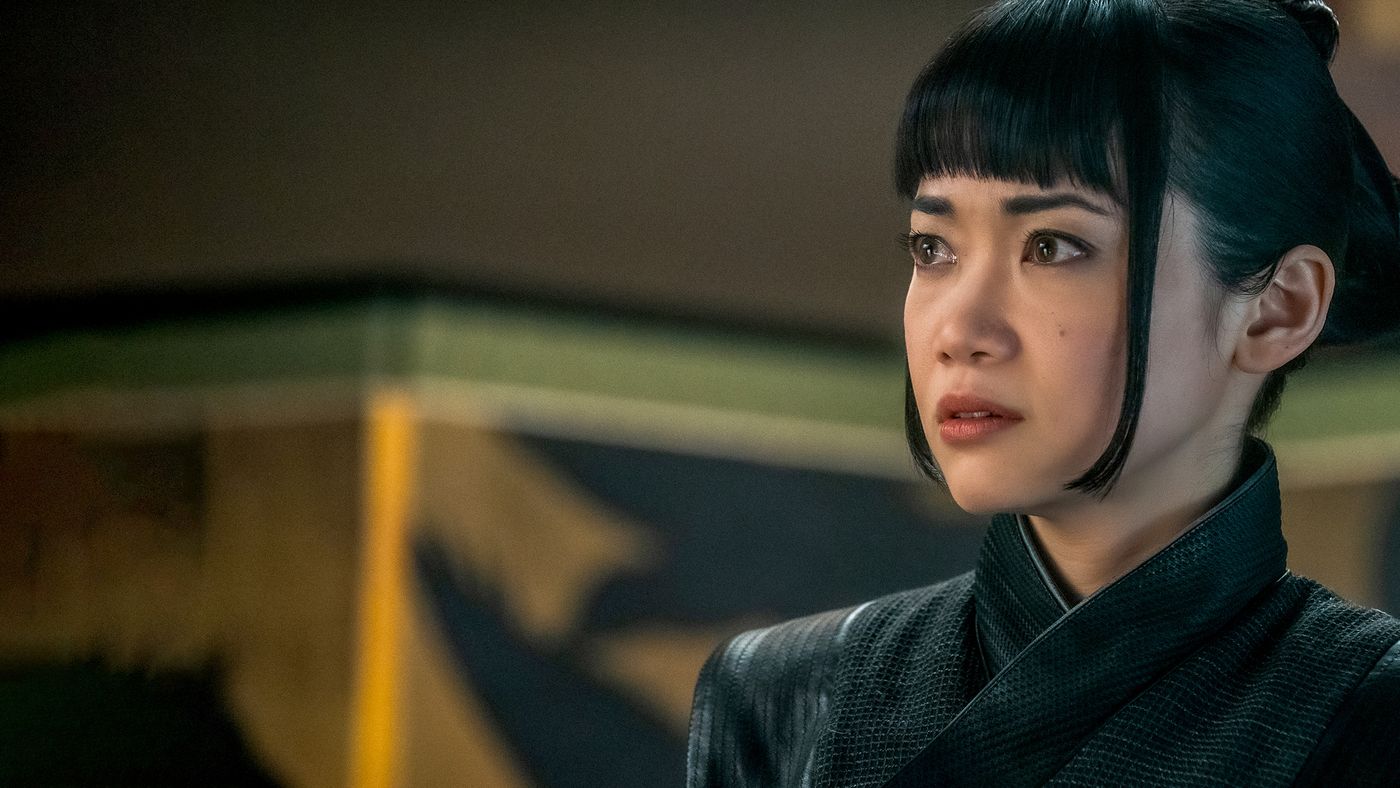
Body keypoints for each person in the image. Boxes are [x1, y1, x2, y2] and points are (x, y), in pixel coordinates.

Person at [685, 0, 1400, 785]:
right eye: (934, 248)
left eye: (1051, 246)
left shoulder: (1370, 715)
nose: (960, 330)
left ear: (1277, 309)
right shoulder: (784, 700)